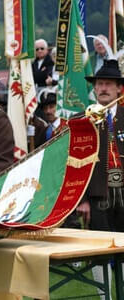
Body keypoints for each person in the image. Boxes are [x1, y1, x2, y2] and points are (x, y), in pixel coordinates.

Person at [77, 59, 124, 299]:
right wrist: (81, 199)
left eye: (109, 84)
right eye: (99, 84)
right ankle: (104, 295)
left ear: (119, 89)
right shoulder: (82, 120)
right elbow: (74, 164)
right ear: (94, 88)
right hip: (97, 196)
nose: (103, 88)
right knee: (99, 248)